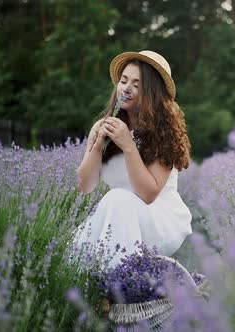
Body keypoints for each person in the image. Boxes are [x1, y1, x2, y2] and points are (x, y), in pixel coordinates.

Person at [71, 50, 192, 269]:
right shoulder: (103, 127)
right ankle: (99, 290)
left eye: (136, 85)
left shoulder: (163, 132)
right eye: (123, 81)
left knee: (117, 198)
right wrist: (97, 146)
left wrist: (128, 145)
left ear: (152, 93)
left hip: (158, 219)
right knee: (75, 250)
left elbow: (147, 194)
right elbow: (84, 187)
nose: (126, 88)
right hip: (117, 215)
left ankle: (121, 285)